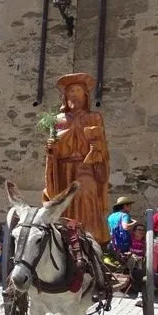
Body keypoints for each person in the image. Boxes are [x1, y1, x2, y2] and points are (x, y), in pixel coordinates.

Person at [44, 73, 111, 245]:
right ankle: (64, 238)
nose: (74, 94)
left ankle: (89, 238)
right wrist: (51, 147)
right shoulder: (57, 120)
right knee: (64, 201)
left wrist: (96, 145)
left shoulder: (94, 117)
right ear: (65, 96)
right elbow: (52, 150)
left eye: (78, 90)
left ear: (85, 95)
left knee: (86, 193)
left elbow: (103, 147)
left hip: (85, 166)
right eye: (71, 91)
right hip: (62, 169)